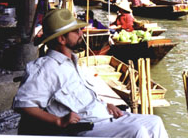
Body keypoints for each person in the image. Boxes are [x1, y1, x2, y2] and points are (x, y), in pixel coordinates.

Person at [13, 8, 168, 137]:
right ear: (61, 39)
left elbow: (81, 95)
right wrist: (58, 121)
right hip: (85, 127)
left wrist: (106, 104)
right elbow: (24, 104)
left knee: (155, 122)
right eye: (76, 31)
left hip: (104, 115)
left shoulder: (71, 61)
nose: (81, 33)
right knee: (137, 132)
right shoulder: (45, 68)